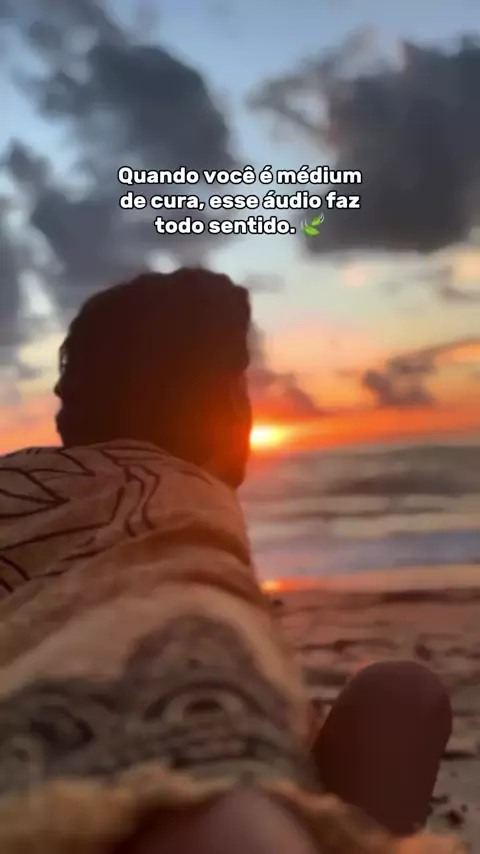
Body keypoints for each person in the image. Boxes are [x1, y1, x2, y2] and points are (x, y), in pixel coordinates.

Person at [0, 269, 458, 854]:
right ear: (226, 403)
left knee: (398, 690)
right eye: (242, 387)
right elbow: (167, 638)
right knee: (402, 696)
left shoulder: (24, 484)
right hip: (154, 806)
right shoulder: (178, 497)